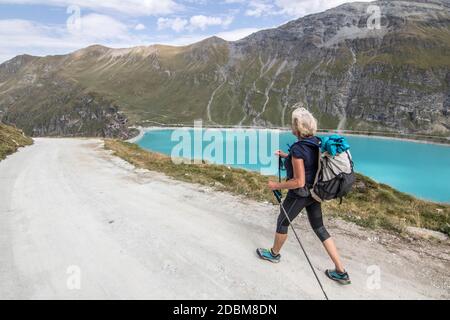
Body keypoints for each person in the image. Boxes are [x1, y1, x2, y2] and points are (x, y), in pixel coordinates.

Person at [257, 106, 351, 285]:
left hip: (300, 194)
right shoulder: (316, 142)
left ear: (297, 128)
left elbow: (299, 181)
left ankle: (274, 254)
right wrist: (286, 155)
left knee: (282, 222)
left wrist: (275, 185)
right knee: (319, 228)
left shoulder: (299, 149)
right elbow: (310, 164)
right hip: (315, 193)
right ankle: (341, 271)